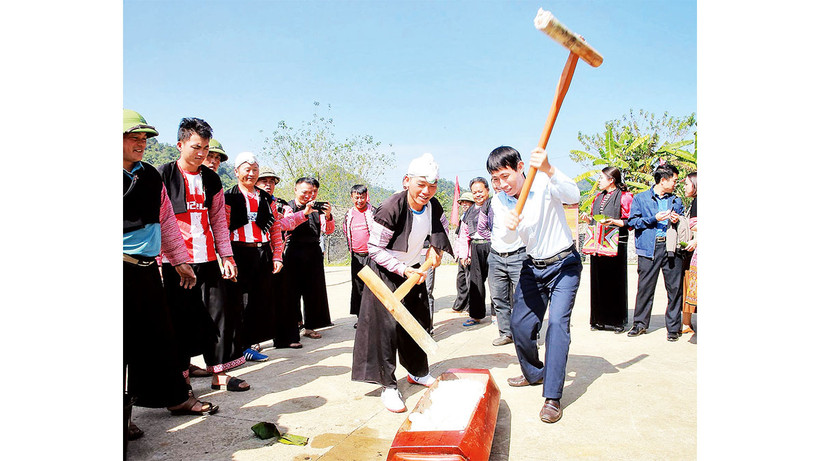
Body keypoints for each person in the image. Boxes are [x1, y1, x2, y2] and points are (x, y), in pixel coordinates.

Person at [123, 109, 218, 442]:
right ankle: (121, 418)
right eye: (133, 137)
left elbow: (165, 221)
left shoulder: (149, 176)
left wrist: (179, 259)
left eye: (144, 138)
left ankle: (176, 398)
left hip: (147, 270)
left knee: (159, 338)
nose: (142, 144)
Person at [352, 153, 453, 413]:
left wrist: (435, 251)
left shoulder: (434, 205)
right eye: (421, 184)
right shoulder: (391, 206)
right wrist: (403, 269)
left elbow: (440, 232)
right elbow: (373, 248)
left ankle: (418, 372)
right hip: (386, 273)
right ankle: (388, 385)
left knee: (417, 322)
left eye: (432, 186)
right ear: (407, 181)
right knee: (385, 331)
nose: (426, 191)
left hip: (414, 271)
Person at [488, 145, 582, 424]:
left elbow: (573, 196)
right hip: (532, 266)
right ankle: (534, 372)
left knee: (556, 326)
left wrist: (549, 168)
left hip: (564, 265)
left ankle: (552, 397)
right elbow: (505, 239)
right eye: (495, 179)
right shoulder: (499, 201)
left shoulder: (542, 182)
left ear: (519, 168)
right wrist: (511, 225)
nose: (502, 184)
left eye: (505, 176)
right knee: (519, 325)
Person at [158, 117, 251, 392]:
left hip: (207, 258)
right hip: (175, 262)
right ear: (180, 144)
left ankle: (219, 373)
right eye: (196, 147)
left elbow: (219, 221)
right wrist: (165, 261)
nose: (201, 154)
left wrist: (227, 256)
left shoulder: (211, 179)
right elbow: (158, 222)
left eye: (206, 148)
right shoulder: (163, 175)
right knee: (180, 320)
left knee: (218, 315)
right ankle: (181, 377)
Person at [223, 152, 285, 362]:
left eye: (254, 170)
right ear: (236, 171)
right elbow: (221, 228)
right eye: (247, 169)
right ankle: (237, 346)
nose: (251, 174)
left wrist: (277, 254)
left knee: (259, 300)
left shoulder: (267, 198)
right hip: (238, 252)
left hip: (262, 252)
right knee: (237, 301)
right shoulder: (228, 197)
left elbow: (275, 227)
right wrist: (226, 258)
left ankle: (249, 344)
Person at [626, 163, 685, 341]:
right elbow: (632, 222)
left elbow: (682, 221)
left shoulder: (676, 200)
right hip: (649, 248)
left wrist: (677, 218)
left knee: (674, 289)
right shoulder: (641, 199)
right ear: (664, 180)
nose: (676, 183)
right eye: (674, 180)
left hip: (671, 247)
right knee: (645, 288)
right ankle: (640, 324)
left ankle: (673, 328)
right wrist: (654, 219)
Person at [283, 177, 335, 339]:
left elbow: (328, 231)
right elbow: (285, 225)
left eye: (313, 192)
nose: (309, 196)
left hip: (313, 252)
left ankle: (311, 325)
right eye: (305, 192)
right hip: (292, 252)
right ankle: (295, 322)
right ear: (296, 190)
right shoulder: (288, 207)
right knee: (292, 290)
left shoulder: (317, 209)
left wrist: (328, 216)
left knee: (314, 290)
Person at [585, 167, 634, 333]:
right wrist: (588, 219)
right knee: (598, 281)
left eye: (601, 177)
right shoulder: (598, 197)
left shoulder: (625, 197)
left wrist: (613, 221)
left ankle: (616, 320)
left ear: (611, 179)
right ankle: (599, 320)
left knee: (615, 281)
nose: (599, 181)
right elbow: (594, 218)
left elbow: (630, 220)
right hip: (599, 243)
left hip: (616, 242)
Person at [343, 184, 376, 327]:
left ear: (366, 196)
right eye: (356, 197)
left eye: (362, 197)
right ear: (352, 197)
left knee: (374, 287)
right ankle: (361, 318)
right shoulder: (348, 214)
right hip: (356, 256)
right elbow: (346, 231)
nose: (360, 200)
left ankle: (375, 318)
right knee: (358, 287)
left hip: (372, 256)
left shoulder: (373, 211)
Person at [461, 177, 492, 327]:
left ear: (487, 190)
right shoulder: (470, 211)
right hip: (475, 246)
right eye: (474, 192)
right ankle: (476, 315)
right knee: (475, 282)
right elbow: (464, 233)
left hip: (493, 246)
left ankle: (498, 315)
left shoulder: (494, 205)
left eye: (480, 191)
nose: (478, 195)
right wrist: (464, 253)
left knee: (496, 281)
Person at [451, 192, 474, 313]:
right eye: (462, 202)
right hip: (461, 254)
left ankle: (471, 307)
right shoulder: (463, 217)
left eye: (467, 202)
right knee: (461, 280)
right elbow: (460, 237)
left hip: (469, 255)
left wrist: (468, 255)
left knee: (470, 281)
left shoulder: (473, 217)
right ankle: (460, 305)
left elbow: (471, 238)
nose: (464, 205)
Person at [681, 171, 697, 334]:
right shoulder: (694, 203)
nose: (684, 187)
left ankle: (686, 323)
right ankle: (686, 323)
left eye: (686, 184)